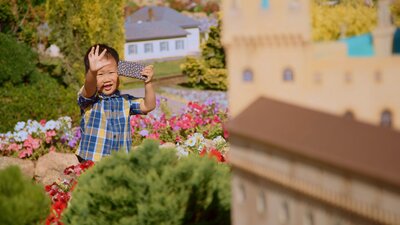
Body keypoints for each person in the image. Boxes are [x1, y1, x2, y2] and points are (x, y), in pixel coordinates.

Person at [76, 44, 156, 162]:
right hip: (92, 160)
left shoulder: (125, 101)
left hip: (120, 162)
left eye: (111, 72)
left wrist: (148, 83)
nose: (107, 79)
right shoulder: (91, 99)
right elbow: (89, 87)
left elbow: (148, 105)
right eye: (100, 74)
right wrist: (92, 72)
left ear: (119, 73)